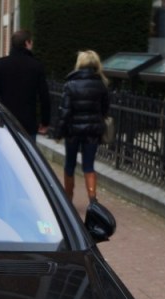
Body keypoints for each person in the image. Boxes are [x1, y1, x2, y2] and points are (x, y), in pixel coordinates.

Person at [57, 50, 110, 205]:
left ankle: (68, 199)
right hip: (92, 131)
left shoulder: (70, 84)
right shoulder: (101, 84)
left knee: (69, 164)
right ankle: (93, 200)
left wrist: (59, 132)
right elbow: (105, 109)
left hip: (73, 131)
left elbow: (65, 111)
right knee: (89, 165)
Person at [0, 30, 50, 141]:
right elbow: (44, 97)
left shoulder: (1, 64)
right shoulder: (36, 65)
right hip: (28, 122)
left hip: (7, 120)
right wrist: (45, 121)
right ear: (27, 43)